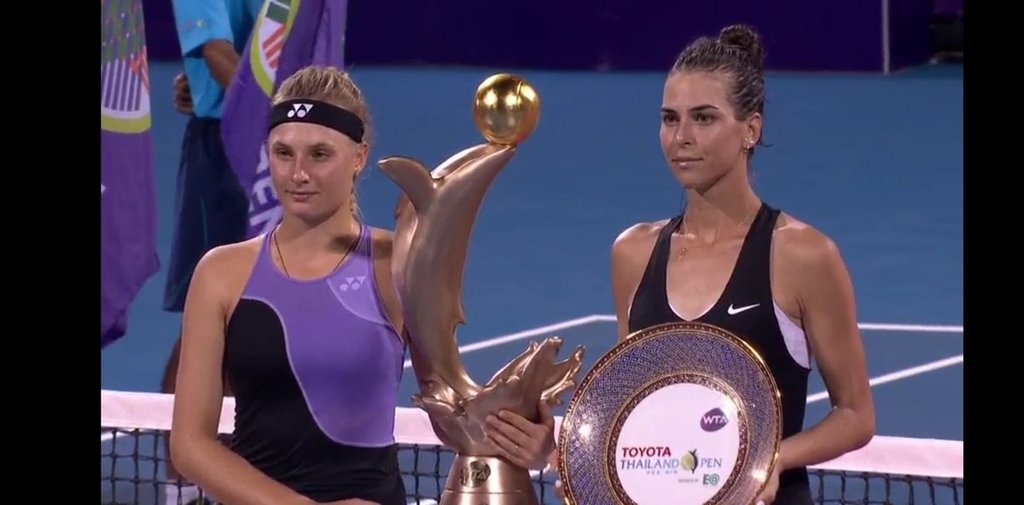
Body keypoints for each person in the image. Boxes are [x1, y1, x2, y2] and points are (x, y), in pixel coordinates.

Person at [169, 65, 556, 505]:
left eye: (320, 154)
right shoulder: (220, 274)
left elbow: (451, 412)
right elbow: (190, 446)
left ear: (359, 157)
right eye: (283, 153)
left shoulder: (399, 266)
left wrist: (526, 441)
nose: (298, 173)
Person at [602, 24, 877, 504]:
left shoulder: (803, 255)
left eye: (704, 118)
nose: (681, 137)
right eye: (669, 119)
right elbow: (634, 403)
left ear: (750, 130)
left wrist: (771, 460)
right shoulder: (632, 253)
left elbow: (855, 415)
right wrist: (572, 451)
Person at [160, 1, 259, 498]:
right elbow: (219, 55)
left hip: (278, 147)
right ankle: (180, 488)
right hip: (224, 154)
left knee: (260, 316)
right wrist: (290, 113)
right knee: (208, 320)